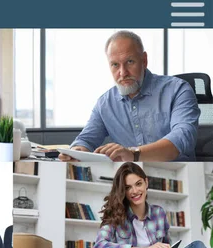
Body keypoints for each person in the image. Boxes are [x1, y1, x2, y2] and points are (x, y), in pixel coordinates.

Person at [60, 30, 199, 162]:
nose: (123, 73)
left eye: (130, 62)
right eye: (115, 65)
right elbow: (85, 140)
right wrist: (77, 151)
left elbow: (183, 137)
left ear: (144, 60)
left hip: (177, 177)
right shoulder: (105, 103)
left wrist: (133, 154)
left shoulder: (177, 90)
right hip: (128, 182)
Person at [94, 162, 207, 248]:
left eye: (138, 184)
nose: (135, 191)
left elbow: (166, 246)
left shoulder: (159, 213)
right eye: (128, 187)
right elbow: (99, 246)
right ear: (122, 191)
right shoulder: (115, 214)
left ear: (146, 182)